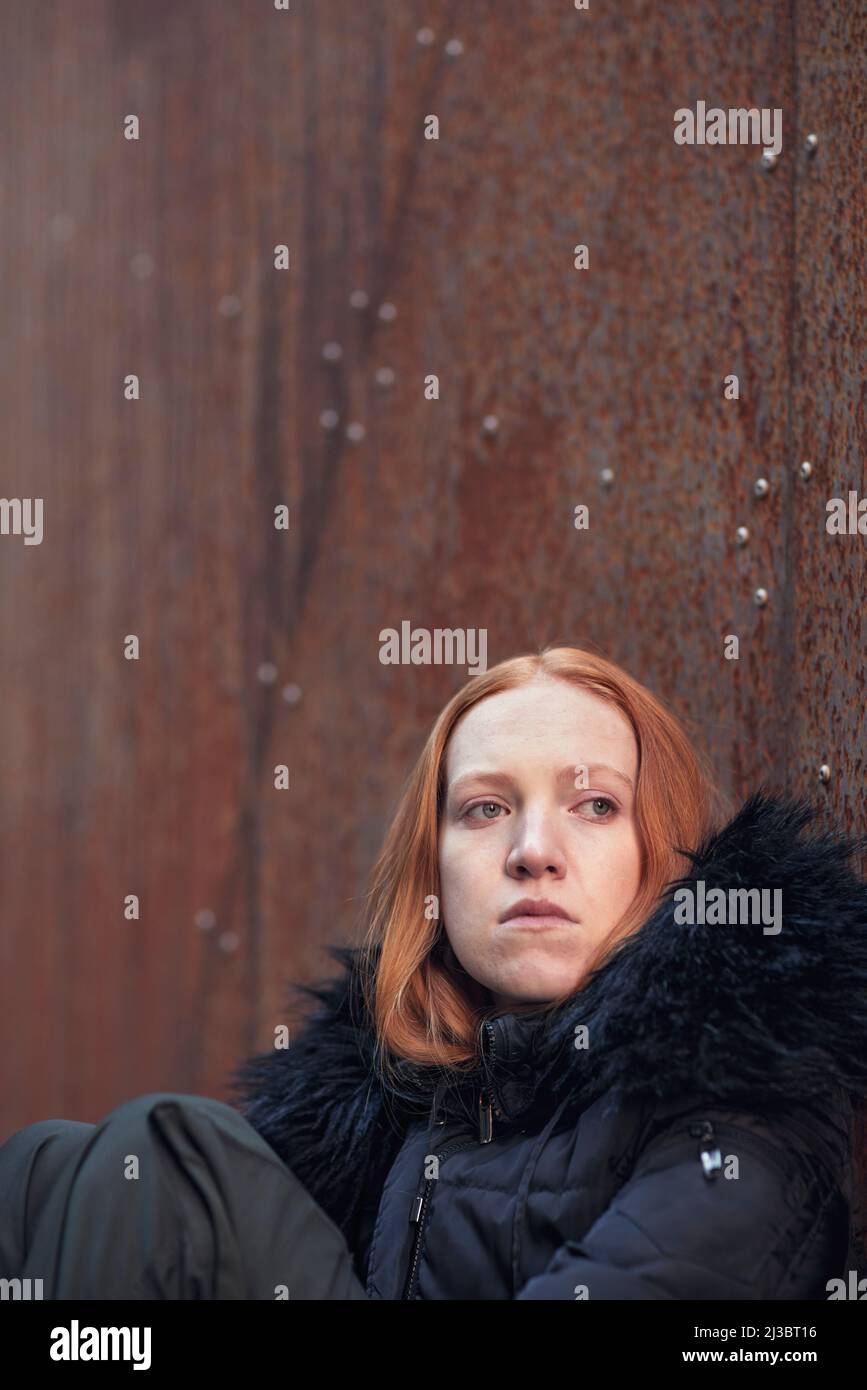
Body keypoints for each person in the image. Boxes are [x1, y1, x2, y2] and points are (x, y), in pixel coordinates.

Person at [3, 645, 867, 1299]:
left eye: (594, 804)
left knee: (172, 1154)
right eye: (485, 808)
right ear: (434, 876)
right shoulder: (387, 1119)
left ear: (661, 855)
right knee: (43, 1168)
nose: (533, 851)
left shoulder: (738, 1105)